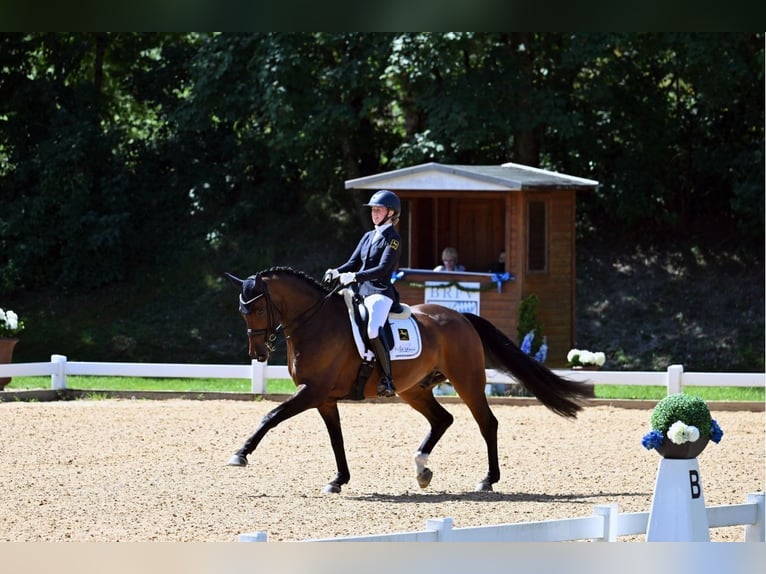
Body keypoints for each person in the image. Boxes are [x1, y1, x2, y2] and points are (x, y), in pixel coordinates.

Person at [325, 190, 402, 397]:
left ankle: (387, 379)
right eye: (373, 210)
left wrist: (354, 277)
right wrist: (337, 271)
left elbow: (382, 270)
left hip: (380, 292)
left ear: (391, 212)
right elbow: (352, 263)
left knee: (373, 330)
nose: (374, 213)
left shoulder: (393, 239)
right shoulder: (368, 236)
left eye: (378, 210)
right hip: (360, 291)